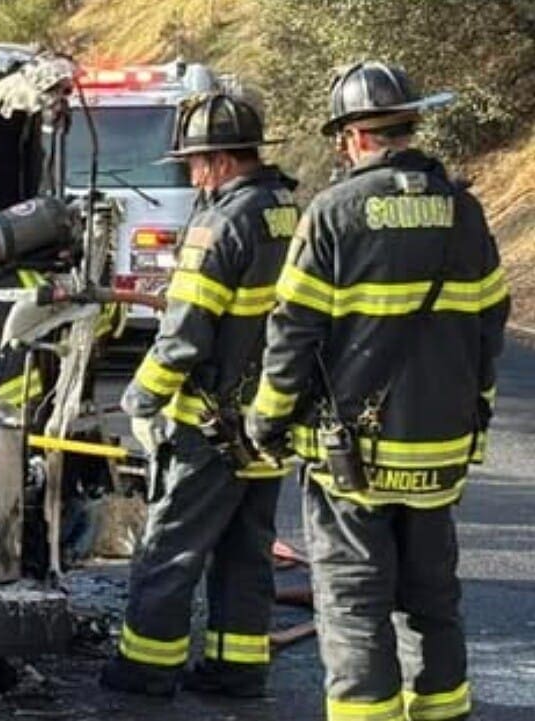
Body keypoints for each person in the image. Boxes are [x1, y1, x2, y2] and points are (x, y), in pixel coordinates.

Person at [247, 61, 510, 721]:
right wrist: (472, 413)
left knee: (355, 606)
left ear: (356, 137)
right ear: (408, 124)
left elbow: (293, 332)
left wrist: (267, 420)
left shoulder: (335, 213)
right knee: (432, 602)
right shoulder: (464, 210)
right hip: (440, 450)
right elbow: (490, 326)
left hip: (354, 463)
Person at [102, 93, 299, 698]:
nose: (191, 174)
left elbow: (186, 332)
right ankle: (237, 669)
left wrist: (139, 399)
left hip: (209, 425)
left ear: (217, 161)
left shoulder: (219, 222)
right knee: (246, 549)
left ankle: (147, 668)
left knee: (170, 547)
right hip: (269, 421)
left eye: (192, 163)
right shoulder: (289, 210)